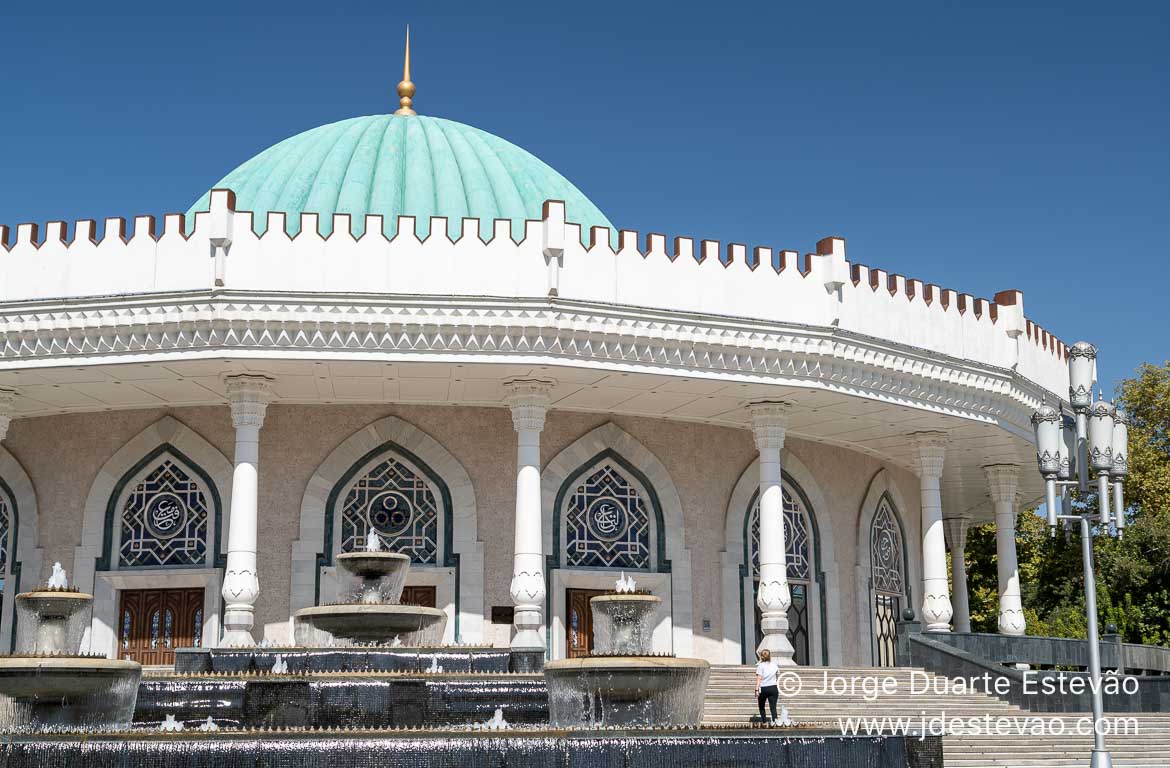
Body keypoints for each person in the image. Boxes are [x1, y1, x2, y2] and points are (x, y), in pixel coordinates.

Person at [755, 648, 779, 724]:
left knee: (761, 706)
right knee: (773, 707)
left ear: (761, 656)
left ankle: (764, 722)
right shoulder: (774, 665)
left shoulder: (760, 666)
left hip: (764, 688)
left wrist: (756, 689)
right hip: (773, 687)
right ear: (769, 656)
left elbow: (759, 678)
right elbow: (777, 675)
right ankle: (775, 722)